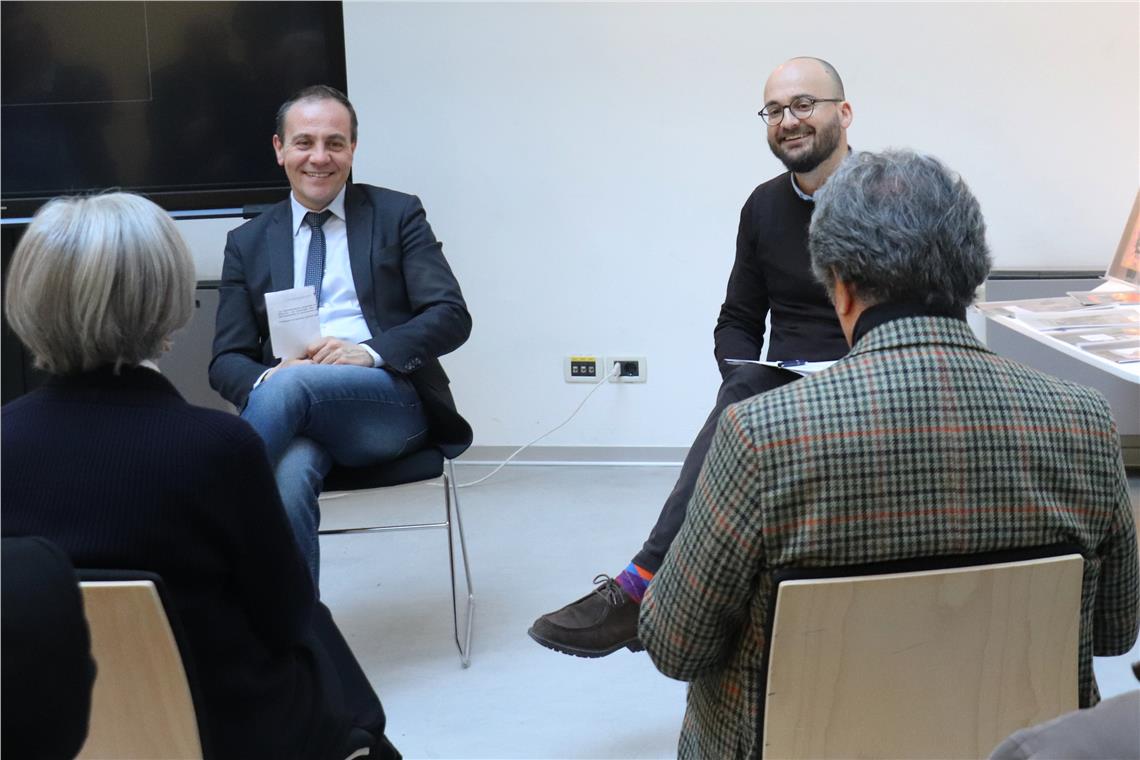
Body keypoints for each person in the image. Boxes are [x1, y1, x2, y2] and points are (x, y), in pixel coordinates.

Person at [638, 149, 1140, 759]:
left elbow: (676, 646)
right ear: (972, 275)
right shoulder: (1085, 420)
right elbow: (1115, 631)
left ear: (841, 289)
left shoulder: (762, 435)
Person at [2, 193, 401, 759]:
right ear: (168, 302)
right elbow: (286, 619)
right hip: (224, 731)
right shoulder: (217, 449)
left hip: (46, 730)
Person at [529, 56, 852, 657]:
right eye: (774, 110)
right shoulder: (762, 206)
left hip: (870, 376)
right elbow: (738, 320)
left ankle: (642, 586)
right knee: (742, 398)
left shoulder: (888, 193)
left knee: (740, 416)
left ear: (844, 112)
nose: (789, 120)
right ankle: (668, 600)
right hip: (780, 386)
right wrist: (741, 373)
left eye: (804, 104)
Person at [209, 85, 471, 582]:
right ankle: (296, 625)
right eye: (304, 142)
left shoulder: (397, 215)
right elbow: (226, 361)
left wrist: (369, 353)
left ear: (353, 148)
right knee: (288, 473)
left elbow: (450, 314)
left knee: (294, 386)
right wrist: (273, 377)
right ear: (279, 149)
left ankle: (202, 505)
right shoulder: (247, 242)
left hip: (388, 404)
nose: (319, 157)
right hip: (292, 414)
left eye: (335, 143)